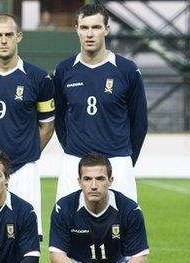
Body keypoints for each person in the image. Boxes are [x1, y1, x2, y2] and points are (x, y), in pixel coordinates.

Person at [0, 14, 54, 241]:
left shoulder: (38, 77)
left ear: (18, 37)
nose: (3, 40)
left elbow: (47, 124)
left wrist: (27, 151)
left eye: (9, 35)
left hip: (23, 170)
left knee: (26, 240)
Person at [45, 152, 158, 263]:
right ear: (79, 182)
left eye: (100, 178)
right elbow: (56, 255)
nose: (93, 185)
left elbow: (139, 258)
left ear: (110, 181)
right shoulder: (64, 207)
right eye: (87, 179)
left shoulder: (130, 209)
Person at [53, 3, 148, 202]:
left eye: (96, 27)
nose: (90, 34)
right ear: (76, 29)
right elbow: (60, 119)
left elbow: (139, 122)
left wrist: (125, 160)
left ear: (106, 29)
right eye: (84, 27)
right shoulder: (63, 70)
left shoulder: (127, 70)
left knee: (122, 229)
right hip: (75, 162)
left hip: (117, 162)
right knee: (71, 228)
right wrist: (73, 150)